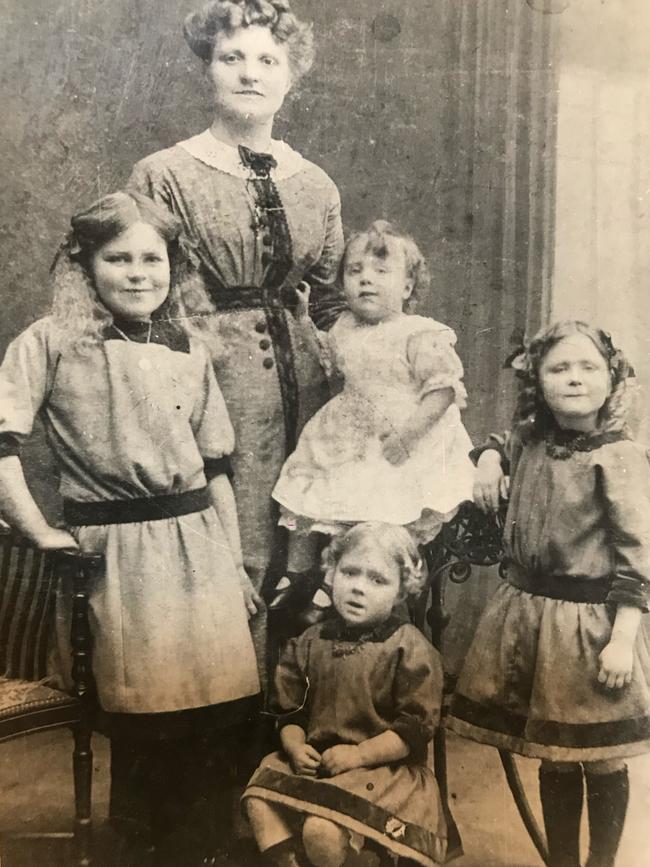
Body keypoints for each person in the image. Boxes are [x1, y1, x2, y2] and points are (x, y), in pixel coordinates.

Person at [0, 191, 262, 864]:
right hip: (115, 554)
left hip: (198, 545)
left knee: (219, 714)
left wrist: (233, 564)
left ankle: (204, 846)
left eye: (154, 258)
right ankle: (150, 845)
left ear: (174, 267)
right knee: (149, 719)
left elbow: (216, 468)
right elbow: (3, 444)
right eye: (119, 258)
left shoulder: (187, 347)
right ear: (85, 265)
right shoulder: (50, 342)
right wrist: (36, 530)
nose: (139, 272)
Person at [127, 0, 345, 646]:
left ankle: (288, 722)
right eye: (232, 58)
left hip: (307, 390)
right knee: (229, 544)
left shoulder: (317, 185)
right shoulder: (164, 174)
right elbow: (141, 295)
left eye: (267, 60)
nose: (250, 73)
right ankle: (226, 726)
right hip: (209, 379)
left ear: (290, 77)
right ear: (208, 70)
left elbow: (333, 304)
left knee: (302, 556)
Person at [446, 321, 650, 867]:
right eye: (559, 368)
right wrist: (488, 459)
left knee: (601, 758)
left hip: (592, 626)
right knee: (555, 757)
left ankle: (601, 863)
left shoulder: (619, 456)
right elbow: (497, 442)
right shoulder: (528, 441)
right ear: (537, 380)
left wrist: (623, 639)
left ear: (612, 379)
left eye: (588, 368)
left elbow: (639, 556)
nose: (574, 379)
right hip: (531, 620)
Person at [269, 220, 474, 614]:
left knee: (376, 517)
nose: (366, 281)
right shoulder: (345, 325)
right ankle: (303, 575)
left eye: (382, 272)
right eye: (355, 271)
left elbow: (443, 390)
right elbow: (330, 361)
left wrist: (408, 436)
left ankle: (366, 585)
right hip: (349, 432)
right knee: (311, 494)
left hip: (397, 439)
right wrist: (304, 320)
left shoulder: (418, 332)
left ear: (408, 288)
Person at [243, 522, 447, 867]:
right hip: (319, 765)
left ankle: (351, 856)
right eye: (349, 573)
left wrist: (360, 755)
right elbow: (289, 713)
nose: (358, 589)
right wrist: (295, 747)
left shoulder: (408, 648)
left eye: (377, 580)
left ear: (401, 591)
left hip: (382, 770)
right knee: (257, 801)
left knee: (321, 829)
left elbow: (413, 730)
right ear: (332, 573)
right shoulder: (310, 641)